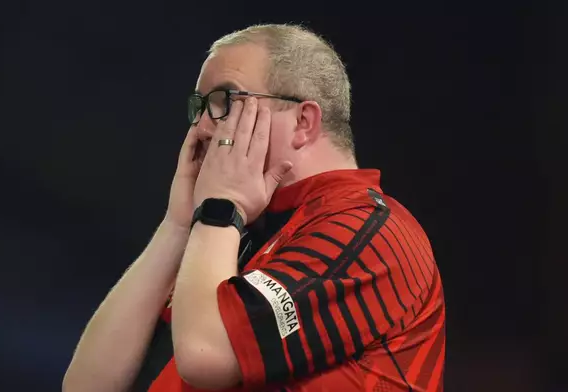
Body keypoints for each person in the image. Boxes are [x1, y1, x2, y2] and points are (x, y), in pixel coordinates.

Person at [63, 24, 445, 392]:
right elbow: (86, 384)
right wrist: (177, 226)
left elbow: (204, 353)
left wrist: (218, 208)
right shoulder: (239, 235)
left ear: (303, 122)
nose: (203, 128)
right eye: (199, 108)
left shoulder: (373, 233)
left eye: (225, 102)